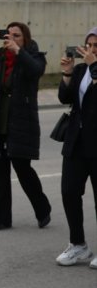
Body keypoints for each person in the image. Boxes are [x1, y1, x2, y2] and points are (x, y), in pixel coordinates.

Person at [0, 22, 51, 231]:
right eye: (9, 35)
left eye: (17, 35)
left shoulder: (34, 57)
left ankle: (43, 210)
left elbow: (35, 72)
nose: (11, 39)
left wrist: (19, 52)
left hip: (21, 122)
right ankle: (2, 219)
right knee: (0, 171)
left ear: (25, 39)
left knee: (23, 170)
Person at [55, 26, 97, 268]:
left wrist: (94, 66)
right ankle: (78, 245)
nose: (91, 50)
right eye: (88, 45)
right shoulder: (82, 69)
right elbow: (65, 97)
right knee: (69, 192)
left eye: (96, 47)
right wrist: (68, 73)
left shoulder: (92, 68)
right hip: (76, 142)